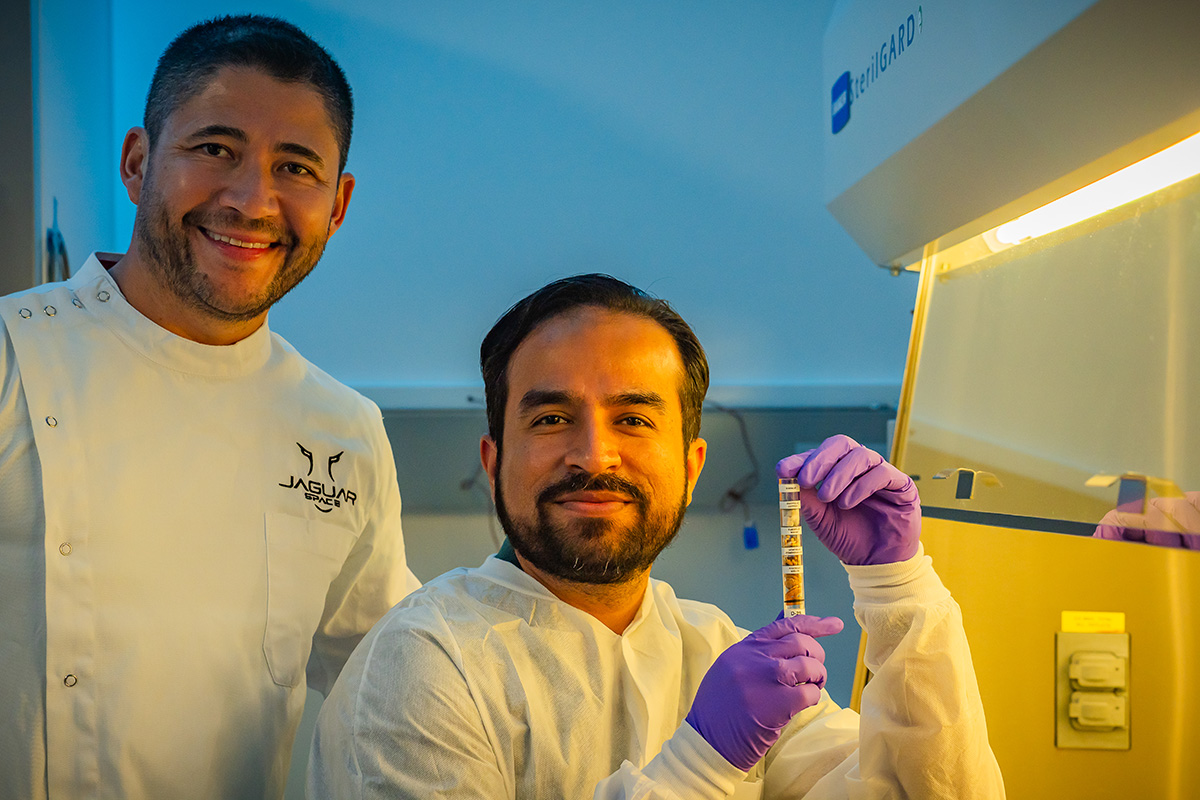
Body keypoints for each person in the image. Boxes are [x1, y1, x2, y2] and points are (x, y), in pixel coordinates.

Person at [308, 274, 1005, 798]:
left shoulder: (721, 656)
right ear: (493, 464)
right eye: (551, 420)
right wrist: (702, 761)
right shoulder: (422, 665)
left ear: (693, 465)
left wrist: (899, 583)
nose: (594, 455)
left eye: (634, 420)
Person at [0, 15, 419, 800]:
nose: (252, 200)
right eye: (215, 149)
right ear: (137, 161)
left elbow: (396, 693)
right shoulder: (11, 356)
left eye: (295, 167)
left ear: (338, 203)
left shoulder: (344, 433)